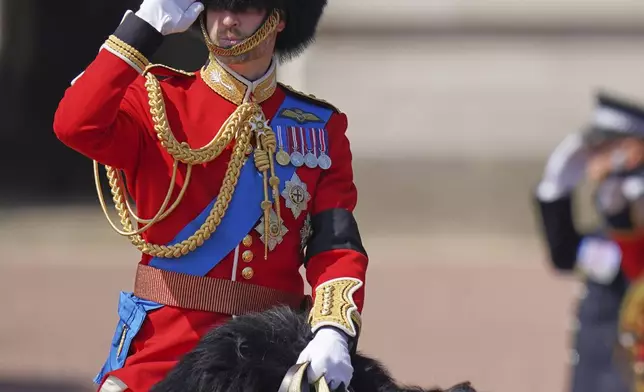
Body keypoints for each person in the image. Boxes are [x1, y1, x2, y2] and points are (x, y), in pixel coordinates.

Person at [52, 1, 369, 391]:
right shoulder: (157, 101)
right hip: (166, 354)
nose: (229, 21)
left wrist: (333, 330)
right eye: (217, 6)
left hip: (273, 357)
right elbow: (75, 124)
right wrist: (144, 27)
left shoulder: (321, 127)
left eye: (247, 7)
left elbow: (335, 247)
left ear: (280, 17)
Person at [533, 91, 644, 392]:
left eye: (601, 148)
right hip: (594, 376)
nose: (589, 157)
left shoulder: (634, 213)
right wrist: (555, 187)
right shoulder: (611, 218)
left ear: (632, 151)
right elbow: (565, 254)